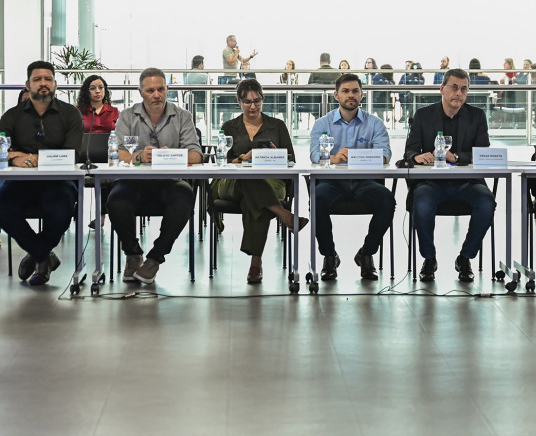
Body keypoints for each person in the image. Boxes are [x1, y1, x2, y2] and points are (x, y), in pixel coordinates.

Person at [108, 67, 203, 284]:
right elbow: (117, 152)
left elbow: (197, 155)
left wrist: (175, 155)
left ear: (167, 89)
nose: (157, 95)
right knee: (115, 200)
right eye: (150, 90)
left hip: (169, 181)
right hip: (133, 181)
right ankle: (133, 254)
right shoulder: (127, 116)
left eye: (161, 89)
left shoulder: (183, 116)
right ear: (140, 92)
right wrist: (140, 155)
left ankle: (155, 258)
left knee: (184, 197)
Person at [403, 68, 496, 282]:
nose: (459, 93)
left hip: (468, 182)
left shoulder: (477, 116)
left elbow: (483, 151)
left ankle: (465, 257)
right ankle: (429, 258)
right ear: (442, 89)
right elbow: (409, 151)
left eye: (464, 89)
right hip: (431, 182)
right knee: (422, 203)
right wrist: (417, 157)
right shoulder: (423, 115)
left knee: (487, 203)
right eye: (454, 87)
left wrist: (457, 157)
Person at [210, 79, 306, 284]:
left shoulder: (277, 126)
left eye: (257, 101)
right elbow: (222, 161)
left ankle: (255, 263)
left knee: (254, 201)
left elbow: (291, 160)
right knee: (249, 177)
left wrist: (275, 155)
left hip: (272, 181)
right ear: (239, 101)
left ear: (263, 99)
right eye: (247, 102)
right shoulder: (229, 126)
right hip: (233, 181)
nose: (253, 106)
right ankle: (285, 215)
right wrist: (244, 159)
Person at [0, 61, 83, 286]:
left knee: (61, 211)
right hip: (21, 181)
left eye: (48, 79)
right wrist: (14, 156)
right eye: (37, 80)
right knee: (2, 208)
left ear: (55, 83)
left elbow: (72, 153)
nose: (43, 84)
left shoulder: (70, 114)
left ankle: (37, 255)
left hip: (58, 181)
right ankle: (44, 256)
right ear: (28, 84)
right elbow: (1, 147)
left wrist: (39, 159)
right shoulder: (12, 115)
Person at [310, 73, 395, 282]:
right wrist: (333, 157)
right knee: (317, 199)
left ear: (362, 94)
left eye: (355, 91)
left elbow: (385, 155)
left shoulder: (374, 123)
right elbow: (314, 155)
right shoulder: (322, 123)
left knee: (387, 200)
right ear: (336, 95)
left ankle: (366, 254)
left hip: (365, 182)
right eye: (346, 91)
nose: (351, 95)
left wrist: (358, 156)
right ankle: (329, 256)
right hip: (332, 182)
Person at [77, 74, 120, 230]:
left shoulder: (114, 111)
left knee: (108, 176)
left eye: (101, 88)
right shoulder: (78, 112)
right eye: (93, 88)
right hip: (83, 157)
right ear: (86, 92)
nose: (97, 91)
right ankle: (74, 208)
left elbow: (120, 134)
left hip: (109, 157)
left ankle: (101, 215)